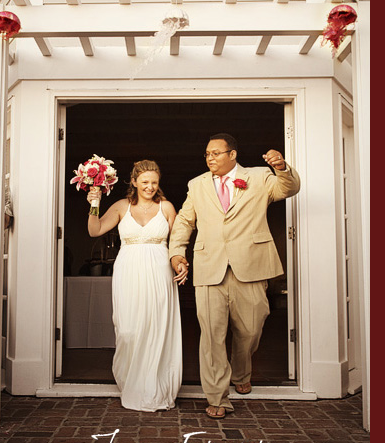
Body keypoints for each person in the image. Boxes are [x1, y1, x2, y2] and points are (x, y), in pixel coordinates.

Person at [169, 133, 300, 420]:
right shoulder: (197, 184)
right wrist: (177, 251)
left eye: (216, 153)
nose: (210, 158)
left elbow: (288, 189)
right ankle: (217, 396)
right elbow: (184, 220)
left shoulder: (259, 177)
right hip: (208, 267)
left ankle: (241, 370)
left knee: (251, 329)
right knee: (212, 336)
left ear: (233, 155)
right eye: (207, 154)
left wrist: (281, 167)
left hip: (251, 265)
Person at [86, 160, 187, 412]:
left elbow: (177, 243)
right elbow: (94, 230)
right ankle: (131, 381)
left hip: (158, 271)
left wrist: (181, 262)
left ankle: (155, 385)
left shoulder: (166, 207)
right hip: (128, 270)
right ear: (134, 182)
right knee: (129, 329)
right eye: (145, 182)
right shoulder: (122, 207)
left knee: (156, 328)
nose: (150, 187)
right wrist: (94, 205)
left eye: (154, 182)